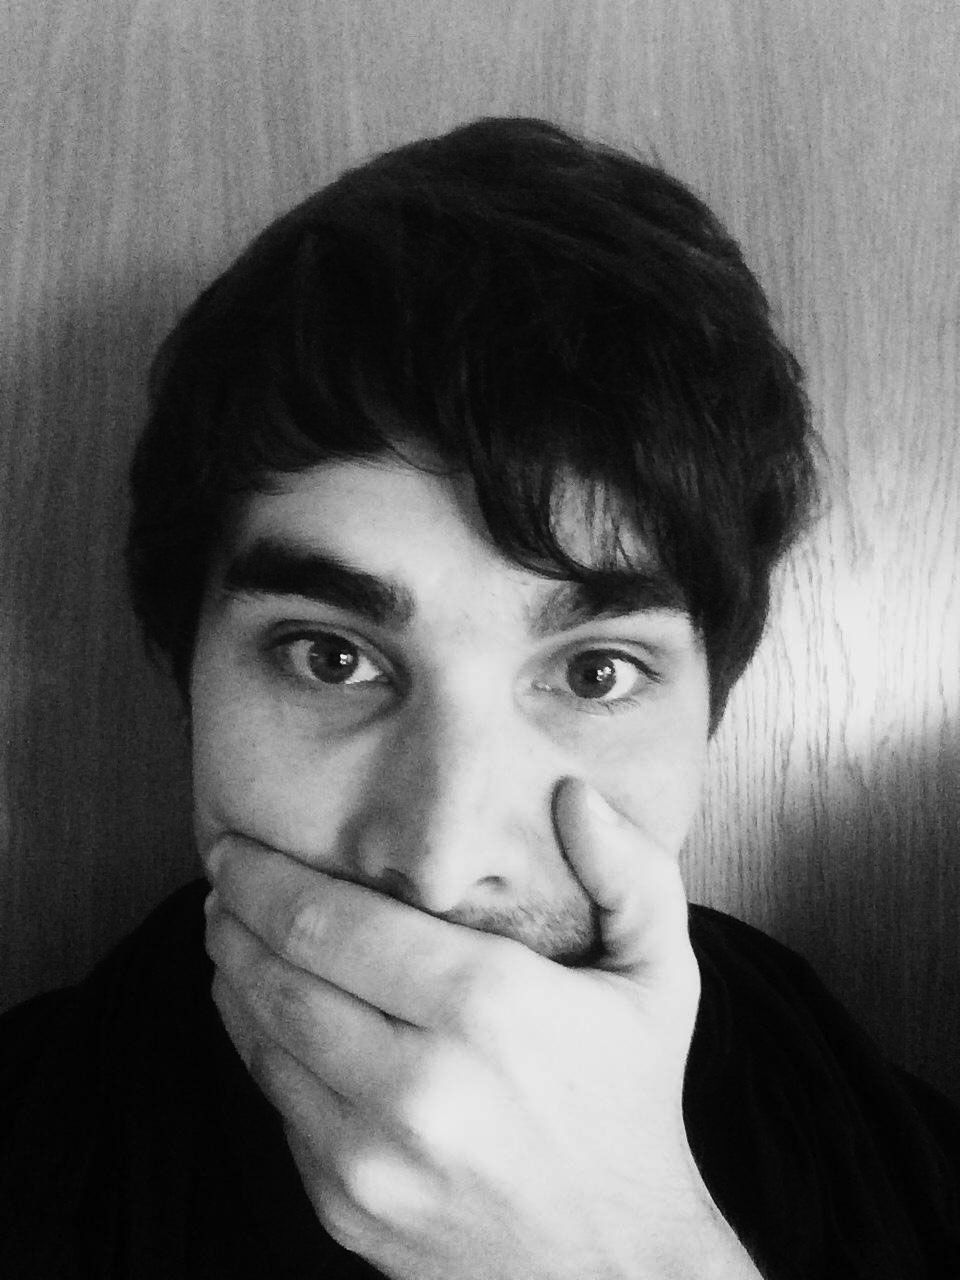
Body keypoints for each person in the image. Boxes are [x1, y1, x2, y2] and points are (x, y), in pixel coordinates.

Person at [0, 117, 957, 1279]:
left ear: (714, 701)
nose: (444, 866)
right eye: (331, 656)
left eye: (595, 672)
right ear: (184, 667)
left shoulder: (887, 1160)